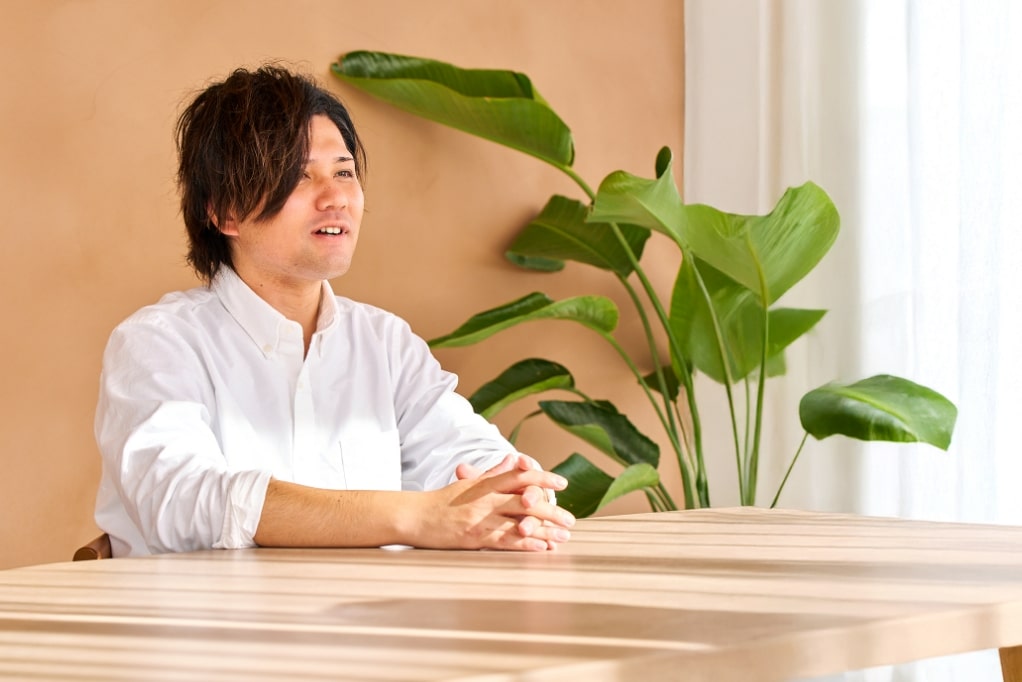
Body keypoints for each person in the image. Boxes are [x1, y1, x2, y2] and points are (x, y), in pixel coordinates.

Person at [92, 65, 574, 557]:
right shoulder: (157, 343)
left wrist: (515, 491)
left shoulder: (385, 342)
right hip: (213, 609)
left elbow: (469, 453)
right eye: (300, 177)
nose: (337, 197)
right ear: (225, 211)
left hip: (372, 606)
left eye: (344, 172)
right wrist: (412, 517)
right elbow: (182, 500)